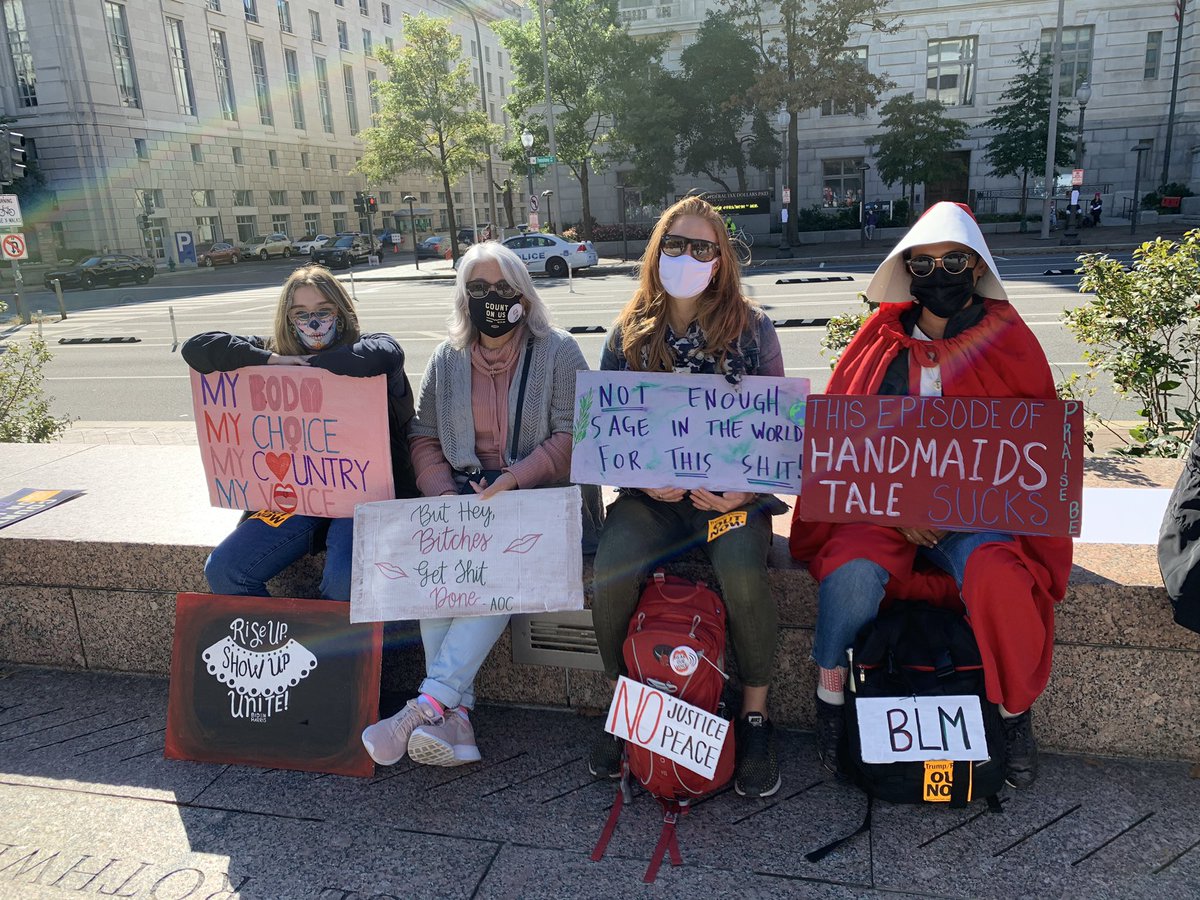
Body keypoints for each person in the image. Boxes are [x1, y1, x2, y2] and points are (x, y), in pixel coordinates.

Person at [788, 202, 1073, 789]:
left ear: (975, 265)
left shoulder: (1009, 340)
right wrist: (896, 508)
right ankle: (831, 697)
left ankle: (1013, 713)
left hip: (976, 520)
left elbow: (1032, 453)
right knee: (850, 571)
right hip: (884, 512)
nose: (938, 272)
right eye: (923, 263)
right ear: (907, 271)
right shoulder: (879, 341)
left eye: (953, 260)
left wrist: (956, 507)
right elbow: (846, 442)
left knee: (998, 574)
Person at [360, 241, 596, 768]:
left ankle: (424, 706)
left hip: (535, 498)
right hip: (462, 495)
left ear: (525, 295)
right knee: (437, 582)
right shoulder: (448, 358)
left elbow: (572, 434)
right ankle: (453, 717)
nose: (492, 297)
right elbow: (422, 435)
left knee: (494, 567)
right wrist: (443, 491)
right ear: (464, 297)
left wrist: (511, 481)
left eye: (503, 288)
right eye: (478, 288)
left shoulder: (559, 351)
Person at [588, 195, 788, 799]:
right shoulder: (628, 334)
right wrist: (643, 478)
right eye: (675, 244)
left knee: (741, 570)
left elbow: (777, 434)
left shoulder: (754, 331)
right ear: (657, 252)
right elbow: (605, 434)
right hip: (652, 500)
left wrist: (739, 492)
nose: (687, 256)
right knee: (612, 567)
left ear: (721, 259)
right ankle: (626, 707)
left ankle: (753, 713)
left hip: (729, 504)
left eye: (702, 247)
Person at [182, 264, 419, 601]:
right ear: (288, 318)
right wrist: (271, 361)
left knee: (343, 581)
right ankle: (272, 651)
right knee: (225, 568)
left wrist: (311, 369)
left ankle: (327, 650)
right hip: (296, 499)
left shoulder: (371, 346)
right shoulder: (275, 352)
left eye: (324, 311)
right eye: (301, 313)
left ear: (341, 311)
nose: (313, 321)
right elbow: (197, 348)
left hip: (365, 497)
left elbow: (386, 354)